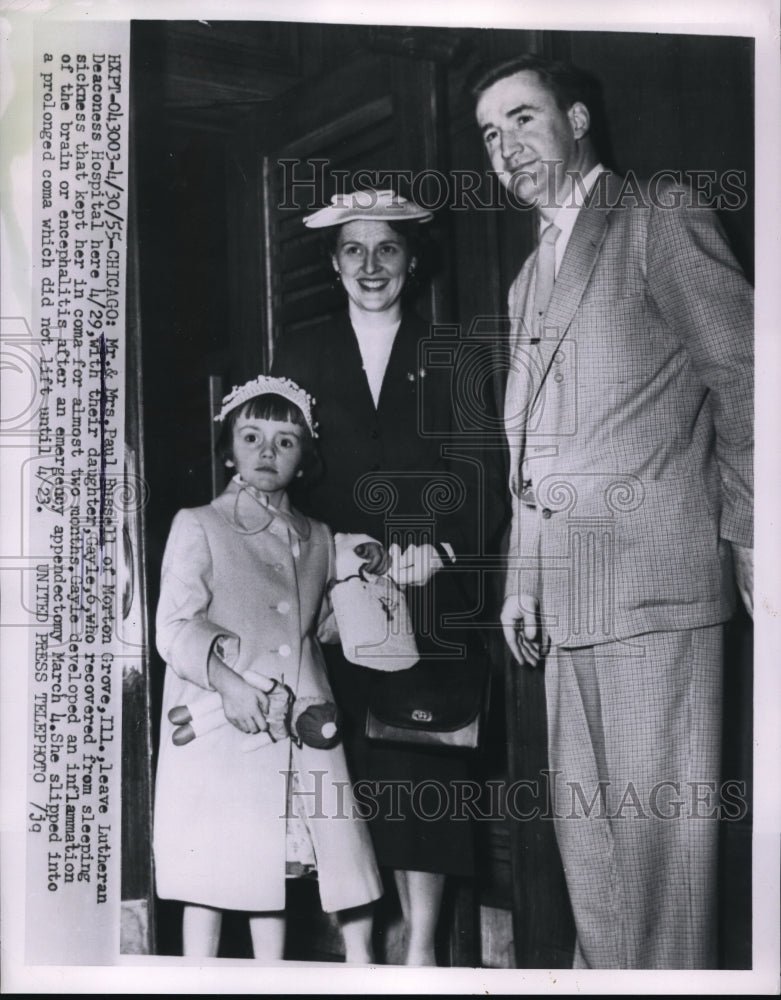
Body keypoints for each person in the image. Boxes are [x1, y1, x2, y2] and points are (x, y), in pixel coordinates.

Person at [472, 55, 753, 969]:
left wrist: (753, 537)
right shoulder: (526, 279)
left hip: (654, 594)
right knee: (592, 870)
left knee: (663, 880)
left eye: (521, 118)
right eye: (487, 133)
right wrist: (521, 578)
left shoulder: (653, 216)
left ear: (578, 119)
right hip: (563, 608)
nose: (504, 145)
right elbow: (534, 448)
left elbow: (748, 380)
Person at [272, 188, 505, 966]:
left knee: (420, 768)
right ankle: (359, 954)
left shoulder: (455, 349)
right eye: (352, 251)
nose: (371, 266)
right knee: (343, 774)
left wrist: (435, 549)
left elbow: (480, 468)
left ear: (412, 259)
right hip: (330, 599)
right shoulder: (299, 354)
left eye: (388, 250)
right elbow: (279, 471)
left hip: (425, 592)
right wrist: (322, 574)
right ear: (333, 263)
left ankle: (422, 956)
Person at [153, 375, 382, 961]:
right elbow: (174, 628)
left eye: (285, 441)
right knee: (210, 880)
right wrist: (228, 684)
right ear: (229, 449)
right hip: (220, 726)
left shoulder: (320, 537)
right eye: (250, 436)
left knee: (275, 877)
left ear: (306, 457)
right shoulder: (200, 523)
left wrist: (371, 585)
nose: (266, 451)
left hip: (300, 732)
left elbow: (322, 627)